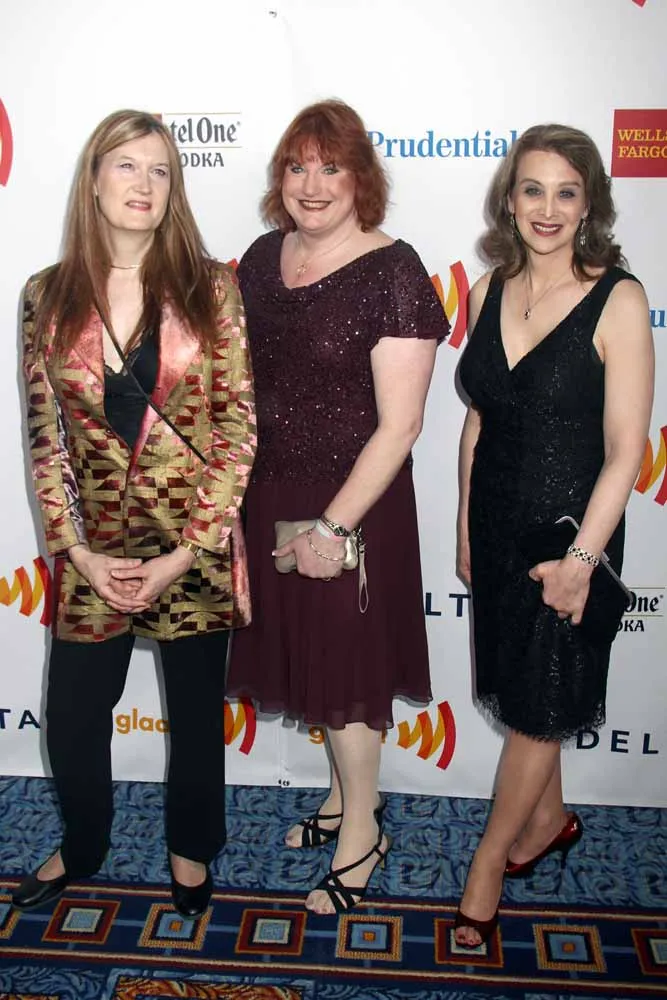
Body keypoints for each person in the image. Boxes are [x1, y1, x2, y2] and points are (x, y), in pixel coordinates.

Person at [13, 109, 255, 918]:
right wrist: (76, 553)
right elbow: (46, 438)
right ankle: (84, 842)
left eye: (160, 170)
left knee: (194, 716)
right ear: (93, 180)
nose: (144, 184)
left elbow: (236, 430)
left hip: (191, 546)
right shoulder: (45, 295)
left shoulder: (211, 286)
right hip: (95, 553)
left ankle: (192, 847)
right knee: (74, 718)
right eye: (126, 165)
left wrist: (186, 553)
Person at [227, 99, 448, 915]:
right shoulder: (261, 257)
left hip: (353, 504)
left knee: (349, 672)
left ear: (362, 179)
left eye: (331, 167)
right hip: (269, 492)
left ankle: (363, 830)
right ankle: (339, 799)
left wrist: (332, 526)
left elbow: (401, 426)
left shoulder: (394, 271)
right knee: (311, 662)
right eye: (297, 166)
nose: (311, 185)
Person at [455, 124, 654, 947]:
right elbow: (477, 422)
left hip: (571, 535)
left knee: (540, 709)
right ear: (509, 199)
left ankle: (487, 865)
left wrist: (580, 562)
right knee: (525, 690)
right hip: (496, 524)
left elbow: (626, 450)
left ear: (588, 205)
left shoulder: (619, 299)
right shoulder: (487, 289)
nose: (546, 208)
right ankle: (549, 820)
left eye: (565, 192)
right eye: (532, 189)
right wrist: (463, 525)